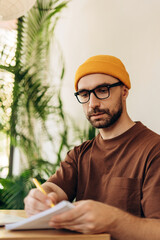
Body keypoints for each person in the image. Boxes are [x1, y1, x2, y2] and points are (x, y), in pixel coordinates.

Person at [24, 55, 160, 240]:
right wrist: (42, 197)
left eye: (102, 90)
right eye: (84, 94)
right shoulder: (80, 154)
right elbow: (54, 190)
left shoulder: (154, 150)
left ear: (124, 91)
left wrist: (112, 221)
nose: (92, 103)